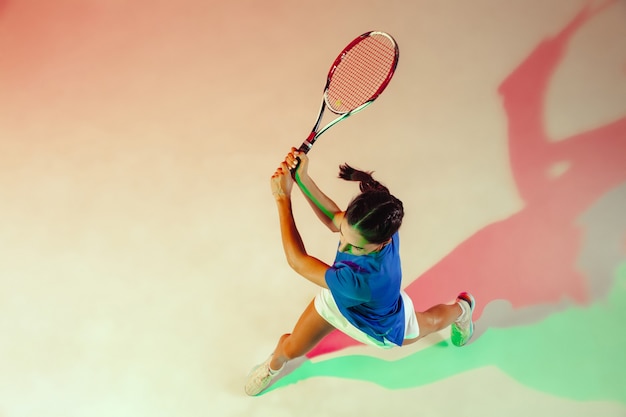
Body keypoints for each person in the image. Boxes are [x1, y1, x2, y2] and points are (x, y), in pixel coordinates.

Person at [244, 148, 475, 396]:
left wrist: (282, 198)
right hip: (336, 300)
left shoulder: (360, 282)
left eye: (354, 247)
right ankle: (272, 366)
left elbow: (298, 262)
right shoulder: (379, 224)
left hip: (379, 326)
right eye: (344, 236)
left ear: (383, 243)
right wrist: (302, 178)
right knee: (290, 349)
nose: (343, 247)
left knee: (431, 322)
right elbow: (334, 218)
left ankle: (463, 308)